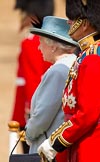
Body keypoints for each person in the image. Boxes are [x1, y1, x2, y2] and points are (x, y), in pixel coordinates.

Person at [37, 0, 100, 162]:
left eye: (74, 19)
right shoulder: (89, 53)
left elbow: (87, 114)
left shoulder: (94, 58)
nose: (69, 22)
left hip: (93, 145)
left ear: (85, 24)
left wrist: (56, 142)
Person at [25, 16, 79, 162]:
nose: (39, 47)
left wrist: (28, 133)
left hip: (49, 150)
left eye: (41, 42)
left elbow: (42, 115)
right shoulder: (71, 64)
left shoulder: (58, 71)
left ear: (53, 46)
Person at [11, 0, 54, 153]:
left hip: (31, 112)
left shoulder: (30, 43)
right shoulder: (49, 41)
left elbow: (33, 80)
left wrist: (32, 115)